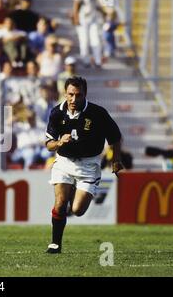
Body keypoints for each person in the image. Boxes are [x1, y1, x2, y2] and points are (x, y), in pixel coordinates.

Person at [45, 76, 124, 253]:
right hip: (64, 162)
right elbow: (48, 144)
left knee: (77, 210)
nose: (73, 99)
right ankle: (55, 244)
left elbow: (115, 137)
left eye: (78, 95)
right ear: (65, 94)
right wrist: (58, 143)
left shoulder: (98, 113)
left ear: (85, 94)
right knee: (60, 203)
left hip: (89, 165)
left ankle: (74, 192)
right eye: (70, 95)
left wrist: (116, 160)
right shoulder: (56, 113)